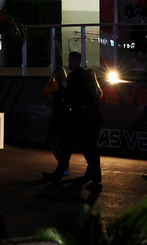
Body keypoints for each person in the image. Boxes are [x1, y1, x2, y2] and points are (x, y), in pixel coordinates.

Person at [61, 51, 102, 192]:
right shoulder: (89, 75)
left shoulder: (72, 77)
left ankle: (62, 170)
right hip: (90, 114)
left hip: (79, 114)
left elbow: (68, 97)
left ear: (73, 61)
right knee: (89, 146)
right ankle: (96, 177)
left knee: (70, 143)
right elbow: (97, 94)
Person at [41, 65, 69, 182]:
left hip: (57, 115)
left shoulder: (56, 84)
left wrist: (50, 79)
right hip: (64, 115)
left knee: (51, 139)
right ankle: (63, 165)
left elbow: (45, 91)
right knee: (61, 141)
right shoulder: (65, 85)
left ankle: (63, 164)